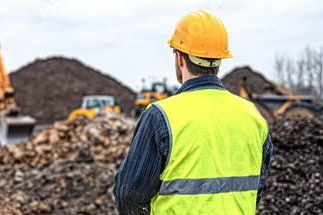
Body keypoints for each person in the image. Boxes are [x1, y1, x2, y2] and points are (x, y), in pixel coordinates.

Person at [113, 10, 273, 215]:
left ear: (180, 58)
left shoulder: (160, 116)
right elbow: (256, 188)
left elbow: (129, 195)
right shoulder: (253, 116)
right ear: (219, 59)